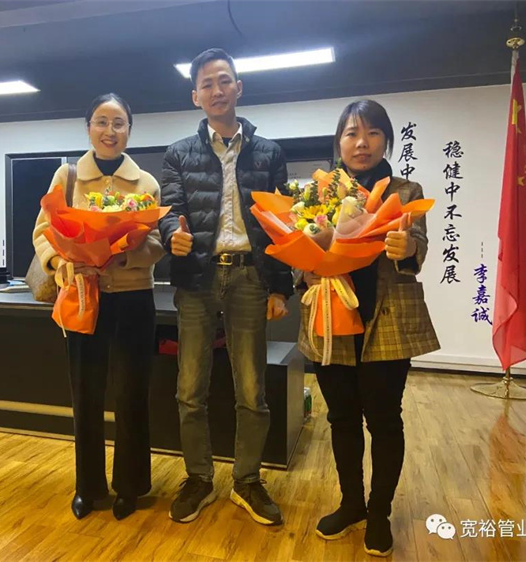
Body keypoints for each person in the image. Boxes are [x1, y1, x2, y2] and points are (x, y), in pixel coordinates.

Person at [158, 48, 292, 526]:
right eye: (207, 84)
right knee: (189, 387)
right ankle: (199, 478)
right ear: (195, 96)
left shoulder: (270, 153)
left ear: (239, 87)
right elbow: (169, 212)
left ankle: (247, 480)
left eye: (224, 80)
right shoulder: (178, 153)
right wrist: (170, 235)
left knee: (252, 387)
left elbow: (282, 226)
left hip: (250, 277)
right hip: (197, 277)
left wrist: (281, 288)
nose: (216, 90)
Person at [302, 99, 440, 556]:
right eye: (351, 133)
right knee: (340, 418)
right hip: (333, 319)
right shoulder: (318, 194)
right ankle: (352, 504)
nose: (361, 143)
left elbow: (417, 244)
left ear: (386, 140)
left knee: (384, 420)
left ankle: (379, 512)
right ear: (338, 142)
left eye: (372, 133)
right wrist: (305, 267)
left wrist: (406, 247)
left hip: (387, 320)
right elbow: (299, 247)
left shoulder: (404, 191)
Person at [33, 93, 165, 521]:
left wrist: (126, 255)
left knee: (131, 394)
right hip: (85, 295)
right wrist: (59, 264)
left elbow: (157, 243)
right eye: (102, 122)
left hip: (133, 297)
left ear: (130, 130)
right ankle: (87, 487)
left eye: (119, 123)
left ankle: (130, 486)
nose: (110, 131)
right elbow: (43, 231)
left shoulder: (146, 183)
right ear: (88, 127)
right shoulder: (68, 176)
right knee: (85, 394)